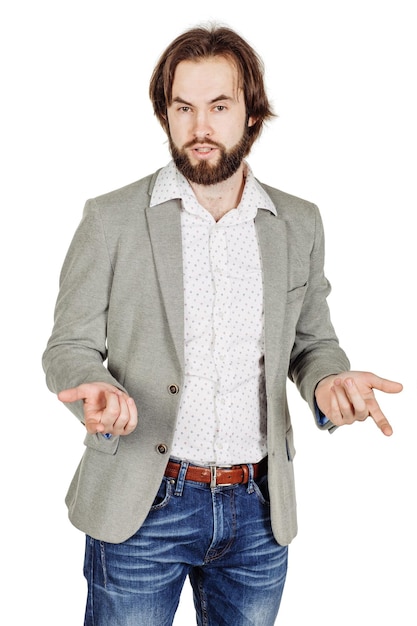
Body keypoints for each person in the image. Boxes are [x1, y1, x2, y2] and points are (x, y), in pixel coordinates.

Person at [42, 24, 402, 626]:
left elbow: (312, 342)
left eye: (219, 106)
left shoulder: (299, 223)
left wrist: (328, 382)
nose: (200, 127)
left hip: (258, 513)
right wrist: (94, 392)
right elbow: (69, 345)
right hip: (143, 501)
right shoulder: (110, 219)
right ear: (166, 114)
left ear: (251, 116)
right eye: (183, 108)